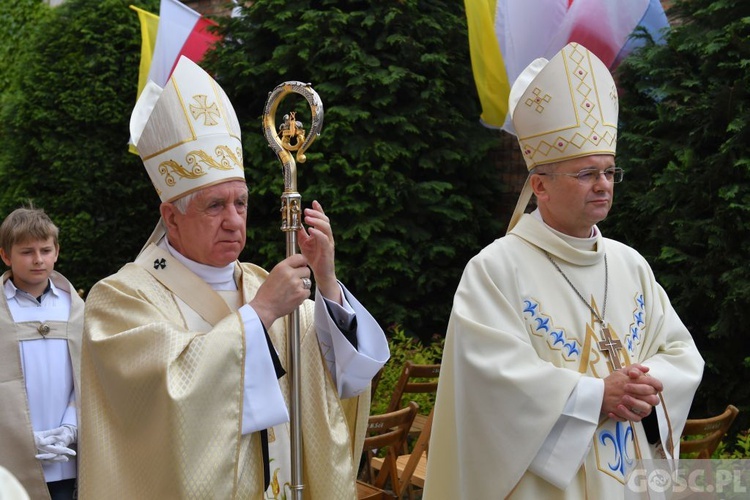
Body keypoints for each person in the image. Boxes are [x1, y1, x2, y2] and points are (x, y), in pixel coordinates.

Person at [78, 57, 389, 499]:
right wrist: (259, 315)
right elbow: (164, 401)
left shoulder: (262, 281)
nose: (233, 221)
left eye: (240, 204)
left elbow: (346, 377)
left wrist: (327, 281)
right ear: (171, 216)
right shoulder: (121, 299)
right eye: (214, 206)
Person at [423, 42, 704, 499]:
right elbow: (490, 384)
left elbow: (682, 355)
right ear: (541, 186)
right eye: (587, 173)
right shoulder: (494, 269)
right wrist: (596, 397)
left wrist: (640, 385)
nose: (603, 186)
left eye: (610, 172)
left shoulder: (630, 265)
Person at [0, 206, 83, 500]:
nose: (38, 259)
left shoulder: (75, 309)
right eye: (26, 252)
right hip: (8, 459)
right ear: (5, 255)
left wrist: (71, 427)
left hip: (67, 457)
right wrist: (17, 436)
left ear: (56, 251)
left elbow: (89, 377)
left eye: (45, 250)